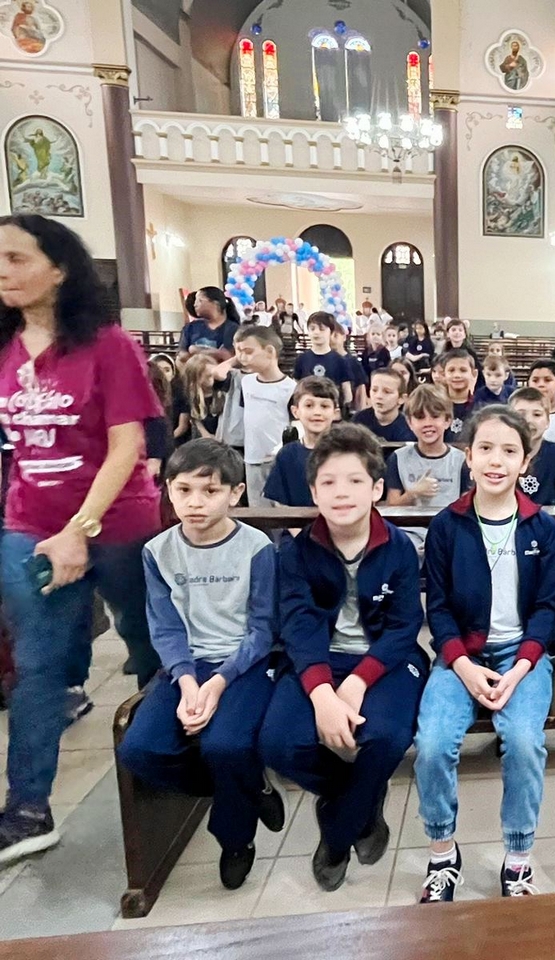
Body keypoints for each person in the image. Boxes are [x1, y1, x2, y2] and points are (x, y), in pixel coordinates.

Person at [0, 214, 164, 864]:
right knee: (38, 664)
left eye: (16, 258)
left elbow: (127, 446)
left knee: (147, 642)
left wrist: (79, 530)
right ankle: (27, 809)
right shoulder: (5, 346)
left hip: (117, 523)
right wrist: (50, 532)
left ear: (59, 268)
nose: (3, 271)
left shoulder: (106, 344)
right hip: (29, 522)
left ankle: (170, 756)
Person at [258, 424, 427, 891]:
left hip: (385, 659)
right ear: (313, 491)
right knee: (278, 743)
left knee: (387, 738)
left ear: (376, 488)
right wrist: (323, 695)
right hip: (319, 660)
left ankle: (335, 836)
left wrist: (357, 682)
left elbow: (403, 627)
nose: (341, 492)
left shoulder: (398, 548)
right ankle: (361, 804)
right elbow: (299, 627)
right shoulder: (297, 552)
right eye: (328, 482)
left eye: (355, 480)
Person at [116, 440, 286, 889]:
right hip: (185, 666)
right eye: (184, 490)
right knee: (139, 750)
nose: (195, 502)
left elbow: (262, 629)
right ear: (168, 490)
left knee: (224, 745)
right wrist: (188, 683)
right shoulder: (158, 551)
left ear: (235, 493)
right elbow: (166, 627)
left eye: (210, 491)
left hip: (245, 664)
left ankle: (235, 839)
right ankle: (248, 787)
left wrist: (218, 683)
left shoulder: (256, 547)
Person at [415, 407, 555, 902]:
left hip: (522, 656)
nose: (496, 461)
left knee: (523, 742)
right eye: (485, 449)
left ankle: (518, 857)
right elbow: (438, 608)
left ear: (525, 461)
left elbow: (547, 611)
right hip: (461, 654)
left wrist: (520, 669)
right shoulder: (447, 525)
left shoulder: (542, 527)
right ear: (468, 456)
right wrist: (462, 666)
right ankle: (443, 852)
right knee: (433, 744)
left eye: (509, 451)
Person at [386, 385, 470, 555]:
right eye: (420, 417)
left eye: (435, 416)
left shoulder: (461, 460)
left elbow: (466, 506)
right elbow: (392, 506)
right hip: (409, 533)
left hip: (449, 531)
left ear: (447, 420)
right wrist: (413, 493)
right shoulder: (398, 458)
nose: (428, 423)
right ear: (409, 423)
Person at [221, 326, 294, 507]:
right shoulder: (246, 382)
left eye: (248, 352)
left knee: (282, 510)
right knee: (257, 509)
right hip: (252, 458)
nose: (242, 357)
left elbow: (294, 425)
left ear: (270, 352)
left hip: (279, 460)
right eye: (239, 352)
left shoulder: (290, 388)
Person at [263, 377, 340, 509]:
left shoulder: (347, 453)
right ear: (295, 411)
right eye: (309, 406)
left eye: (324, 406)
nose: (317, 412)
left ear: (335, 413)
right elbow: (279, 502)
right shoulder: (287, 455)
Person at [509, 388, 555, 507]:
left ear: (547, 422)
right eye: (520, 414)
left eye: (537, 414)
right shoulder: (500, 456)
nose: (528, 421)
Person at [292, 312, 353, 409]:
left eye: (322, 329)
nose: (316, 332)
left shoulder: (340, 360)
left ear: (331, 332)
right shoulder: (301, 359)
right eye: (312, 328)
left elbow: (347, 392)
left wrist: (342, 410)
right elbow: (296, 387)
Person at [352, 369, 415, 442]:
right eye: (374, 390)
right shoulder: (358, 420)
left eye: (387, 392)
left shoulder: (408, 427)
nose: (379, 396)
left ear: (401, 398)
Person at [179, 287, 241, 358]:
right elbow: (181, 355)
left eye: (200, 300)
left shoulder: (233, 329)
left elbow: (228, 356)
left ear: (216, 303)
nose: (195, 305)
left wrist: (197, 351)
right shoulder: (190, 328)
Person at [178, 354, 223, 445]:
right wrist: (205, 434)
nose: (212, 379)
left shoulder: (222, 390)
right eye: (207, 376)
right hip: (201, 438)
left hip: (222, 434)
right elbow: (195, 419)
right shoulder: (188, 394)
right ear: (195, 378)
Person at [439, 349, 477, 443]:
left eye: (463, 370)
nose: (457, 375)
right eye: (451, 370)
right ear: (443, 375)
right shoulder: (435, 406)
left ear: (474, 374)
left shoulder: (480, 408)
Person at [333, 325, 368, 413]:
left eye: (336, 335)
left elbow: (360, 388)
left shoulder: (352, 361)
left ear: (344, 337)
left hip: (348, 409)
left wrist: (360, 411)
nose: (332, 340)